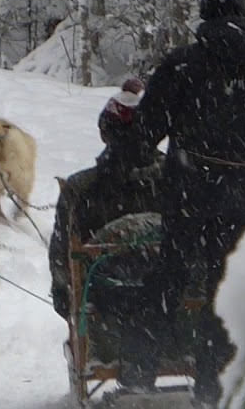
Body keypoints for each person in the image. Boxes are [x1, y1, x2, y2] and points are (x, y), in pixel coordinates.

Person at [119, 0, 245, 406]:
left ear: (205, 9)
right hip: (240, 194)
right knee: (223, 281)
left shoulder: (183, 64)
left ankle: (141, 365)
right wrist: (240, 163)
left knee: (170, 271)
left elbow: (148, 128)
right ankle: (213, 381)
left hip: (187, 190)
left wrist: (124, 160)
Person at [49, 78, 164, 320]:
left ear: (104, 133)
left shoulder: (80, 189)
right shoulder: (177, 182)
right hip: (170, 312)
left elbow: (62, 260)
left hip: (102, 317)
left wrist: (65, 296)